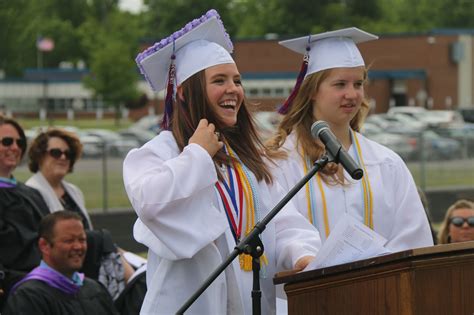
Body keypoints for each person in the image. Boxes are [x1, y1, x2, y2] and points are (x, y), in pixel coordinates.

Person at [123, 9, 321, 315]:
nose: (234, 90)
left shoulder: (245, 160)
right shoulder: (160, 153)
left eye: (237, 80)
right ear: (186, 93)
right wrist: (198, 155)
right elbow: (150, 204)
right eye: (219, 80)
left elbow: (281, 223)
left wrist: (303, 255)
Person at [266, 27, 433, 253]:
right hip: (309, 286)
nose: (352, 94)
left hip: (380, 286)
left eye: (358, 84)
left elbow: (413, 238)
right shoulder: (281, 162)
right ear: (312, 90)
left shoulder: (386, 163)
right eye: (340, 84)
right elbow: (277, 235)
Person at [25, 128, 135, 299]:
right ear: (40, 156)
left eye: (67, 154)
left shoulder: (73, 191)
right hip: (61, 266)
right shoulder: (31, 192)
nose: (62, 157)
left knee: (118, 252)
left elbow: (86, 231)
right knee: (104, 241)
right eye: (55, 152)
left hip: (85, 255)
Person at [3, 211, 118, 315]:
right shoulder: (29, 296)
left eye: (82, 240)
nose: (78, 246)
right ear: (44, 246)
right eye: (69, 240)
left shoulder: (94, 289)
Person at [0, 114, 50, 311]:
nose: (15, 147)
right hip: (14, 284)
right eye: (6, 141)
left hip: (45, 275)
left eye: (19, 142)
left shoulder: (31, 194)